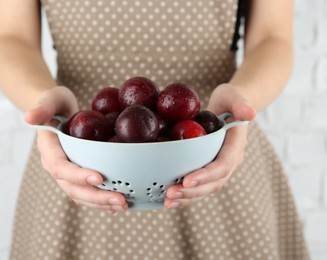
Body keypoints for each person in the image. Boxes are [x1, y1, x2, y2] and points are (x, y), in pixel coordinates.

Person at [0, 0, 309, 259]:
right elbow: (12, 37)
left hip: (214, 152)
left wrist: (241, 101)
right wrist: (41, 103)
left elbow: (273, 37)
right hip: (75, 159)